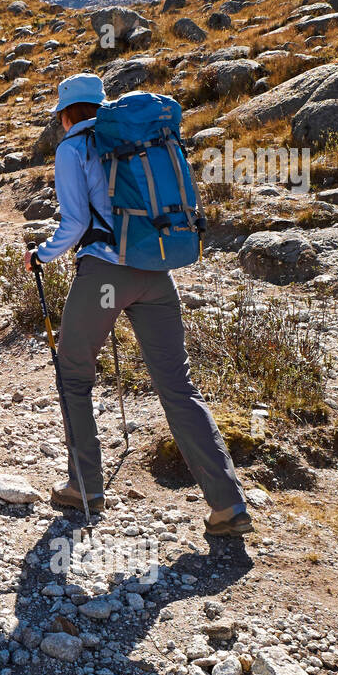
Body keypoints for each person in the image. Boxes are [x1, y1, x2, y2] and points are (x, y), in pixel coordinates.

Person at [27, 73, 253, 536]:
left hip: (107, 277)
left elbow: (73, 223)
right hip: (155, 273)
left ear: (67, 114)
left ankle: (85, 488)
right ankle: (228, 505)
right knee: (178, 387)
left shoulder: (73, 147)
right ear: (101, 105)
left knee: (74, 375)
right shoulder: (140, 139)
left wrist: (42, 253)